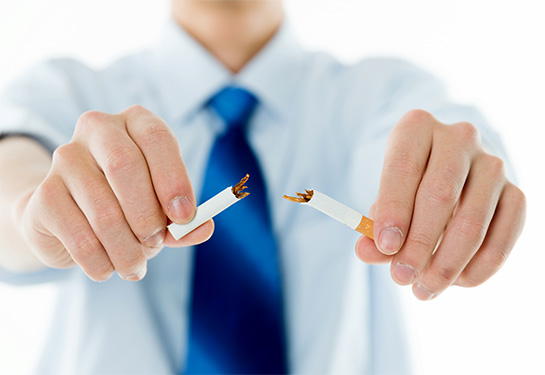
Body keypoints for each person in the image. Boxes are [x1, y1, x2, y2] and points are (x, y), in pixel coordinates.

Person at [0, 0, 526, 374]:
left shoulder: (382, 94)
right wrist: (32, 210)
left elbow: (446, 140)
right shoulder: (68, 93)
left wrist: (455, 183)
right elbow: (13, 175)